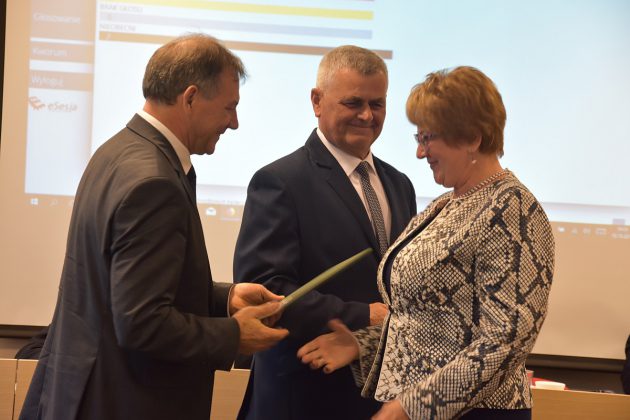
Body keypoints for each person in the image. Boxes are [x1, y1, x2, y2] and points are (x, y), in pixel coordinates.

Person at [19, 34, 288, 420]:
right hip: (125, 402)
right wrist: (233, 334)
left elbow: (123, 289)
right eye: (229, 108)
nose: (233, 123)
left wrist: (225, 298)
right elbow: (141, 322)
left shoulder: (116, 150)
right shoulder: (154, 181)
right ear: (190, 97)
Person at [298, 66, 555, 420]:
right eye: (418, 138)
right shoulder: (445, 205)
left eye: (428, 137)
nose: (420, 152)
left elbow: (508, 338)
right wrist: (362, 344)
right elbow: (426, 323)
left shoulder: (512, 208)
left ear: (473, 137)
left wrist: (414, 405)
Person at [233, 45, 417, 419]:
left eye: (377, 104)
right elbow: (268, 290)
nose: (367, 115)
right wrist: (364, 315)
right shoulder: (280, 182)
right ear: (317, 101)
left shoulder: (400, 185)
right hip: (302, 399)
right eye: (353, 103)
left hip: (380, 402)